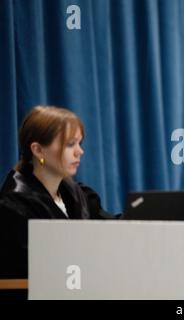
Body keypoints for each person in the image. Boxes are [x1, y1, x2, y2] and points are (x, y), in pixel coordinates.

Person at [0, 106, 114, 278]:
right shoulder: (14, 206)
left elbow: (113, 228)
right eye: (70, 145)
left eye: (79, 143)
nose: (79, 152)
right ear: (38, 150)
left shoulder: (78, 196)